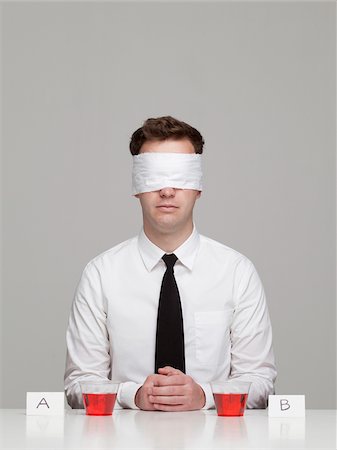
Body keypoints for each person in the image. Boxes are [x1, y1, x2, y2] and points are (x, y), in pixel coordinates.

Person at [64, 115, 277, 411]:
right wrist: (135, 395)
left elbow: (260, 381)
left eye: (180, 177)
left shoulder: (237, 272)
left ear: (198, 187)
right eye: (154, 177)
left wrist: (204, 395)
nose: (167, 190)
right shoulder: (100, 274)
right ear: (137, 186)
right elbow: (78, 384)